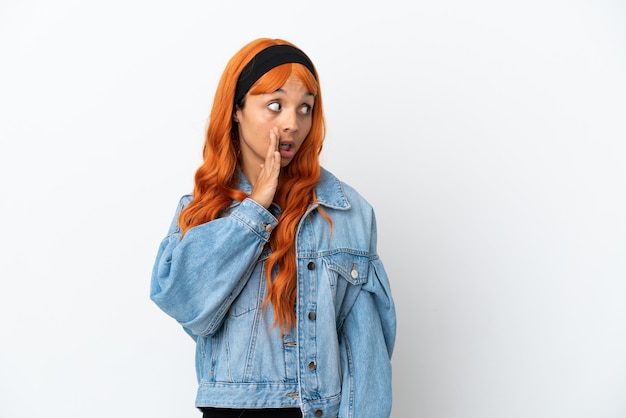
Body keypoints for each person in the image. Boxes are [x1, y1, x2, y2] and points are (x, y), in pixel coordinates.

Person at [150, 37, 396, 418]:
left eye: (305, 109)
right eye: (275, 105)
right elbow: (186, 305)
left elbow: (367, 356)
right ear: (236, 110)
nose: (292, 124)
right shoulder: (203, 211)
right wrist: (255, 208)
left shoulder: (346, 211)